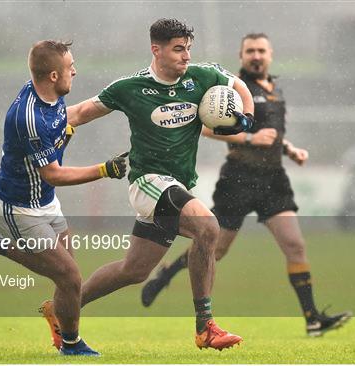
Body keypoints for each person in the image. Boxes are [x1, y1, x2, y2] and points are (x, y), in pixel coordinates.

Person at [41, 18, 255, 351]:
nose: (186, 56)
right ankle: (205, 327)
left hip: (175, 187)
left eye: (188, 49)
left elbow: (239, 86)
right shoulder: (130, 88)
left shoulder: (201, 76)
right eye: (178, 49)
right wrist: (34, 125)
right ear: (156, 49)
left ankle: (62, 307)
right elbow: (79, 112)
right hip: (147, 183)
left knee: (134, 270)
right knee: (208, 228)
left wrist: (247, 118)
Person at [140, 33, 352, 337]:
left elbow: (272, 134)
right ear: (241, 56)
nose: (256, 55)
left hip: (273, 181)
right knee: (216, 250)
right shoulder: (231, 89)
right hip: (238, 180)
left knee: (295, 244)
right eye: (250, 51)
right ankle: (166, 274)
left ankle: (313, 319)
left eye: (261, 50)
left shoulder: (275, 89)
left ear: (270, 54)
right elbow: (208, 128)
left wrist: (290, 149)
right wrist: (249, 138)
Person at [0, 40, 129, 356]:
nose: (76, 70)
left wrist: (120, 100)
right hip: (18, 208)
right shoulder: (29, 118)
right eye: (70, 67)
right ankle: (71, 344)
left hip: (45, 201)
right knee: (69, 276)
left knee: (66, 273)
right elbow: (54, 174)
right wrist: (104, 169)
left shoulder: (48, 95)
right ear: (54, 75)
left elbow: (75, 115)